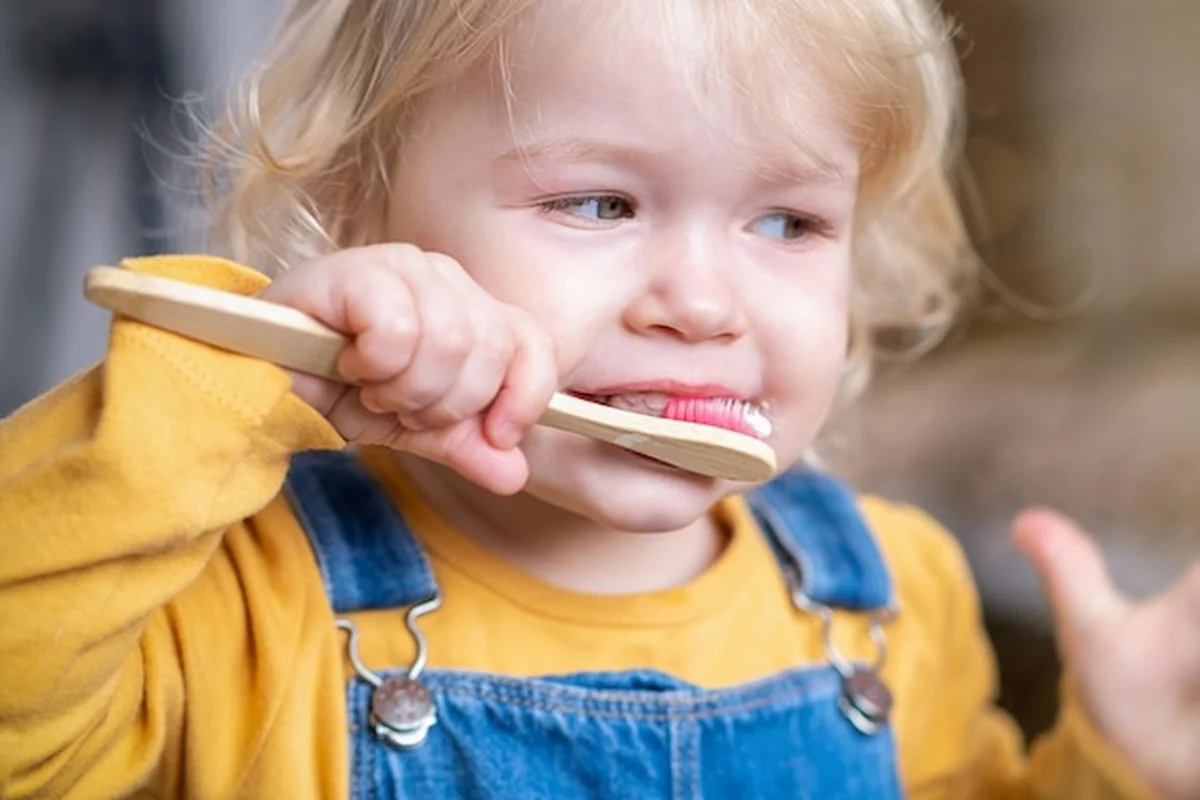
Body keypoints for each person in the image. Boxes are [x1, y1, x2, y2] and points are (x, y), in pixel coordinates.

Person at [1, 1, 1196, 798]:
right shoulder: (240, 589)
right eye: (600, 203)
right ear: (363, 213)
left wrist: (1117, 759)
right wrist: (259, 376)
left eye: (787, 221)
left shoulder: (892, 596)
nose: (702, 301)